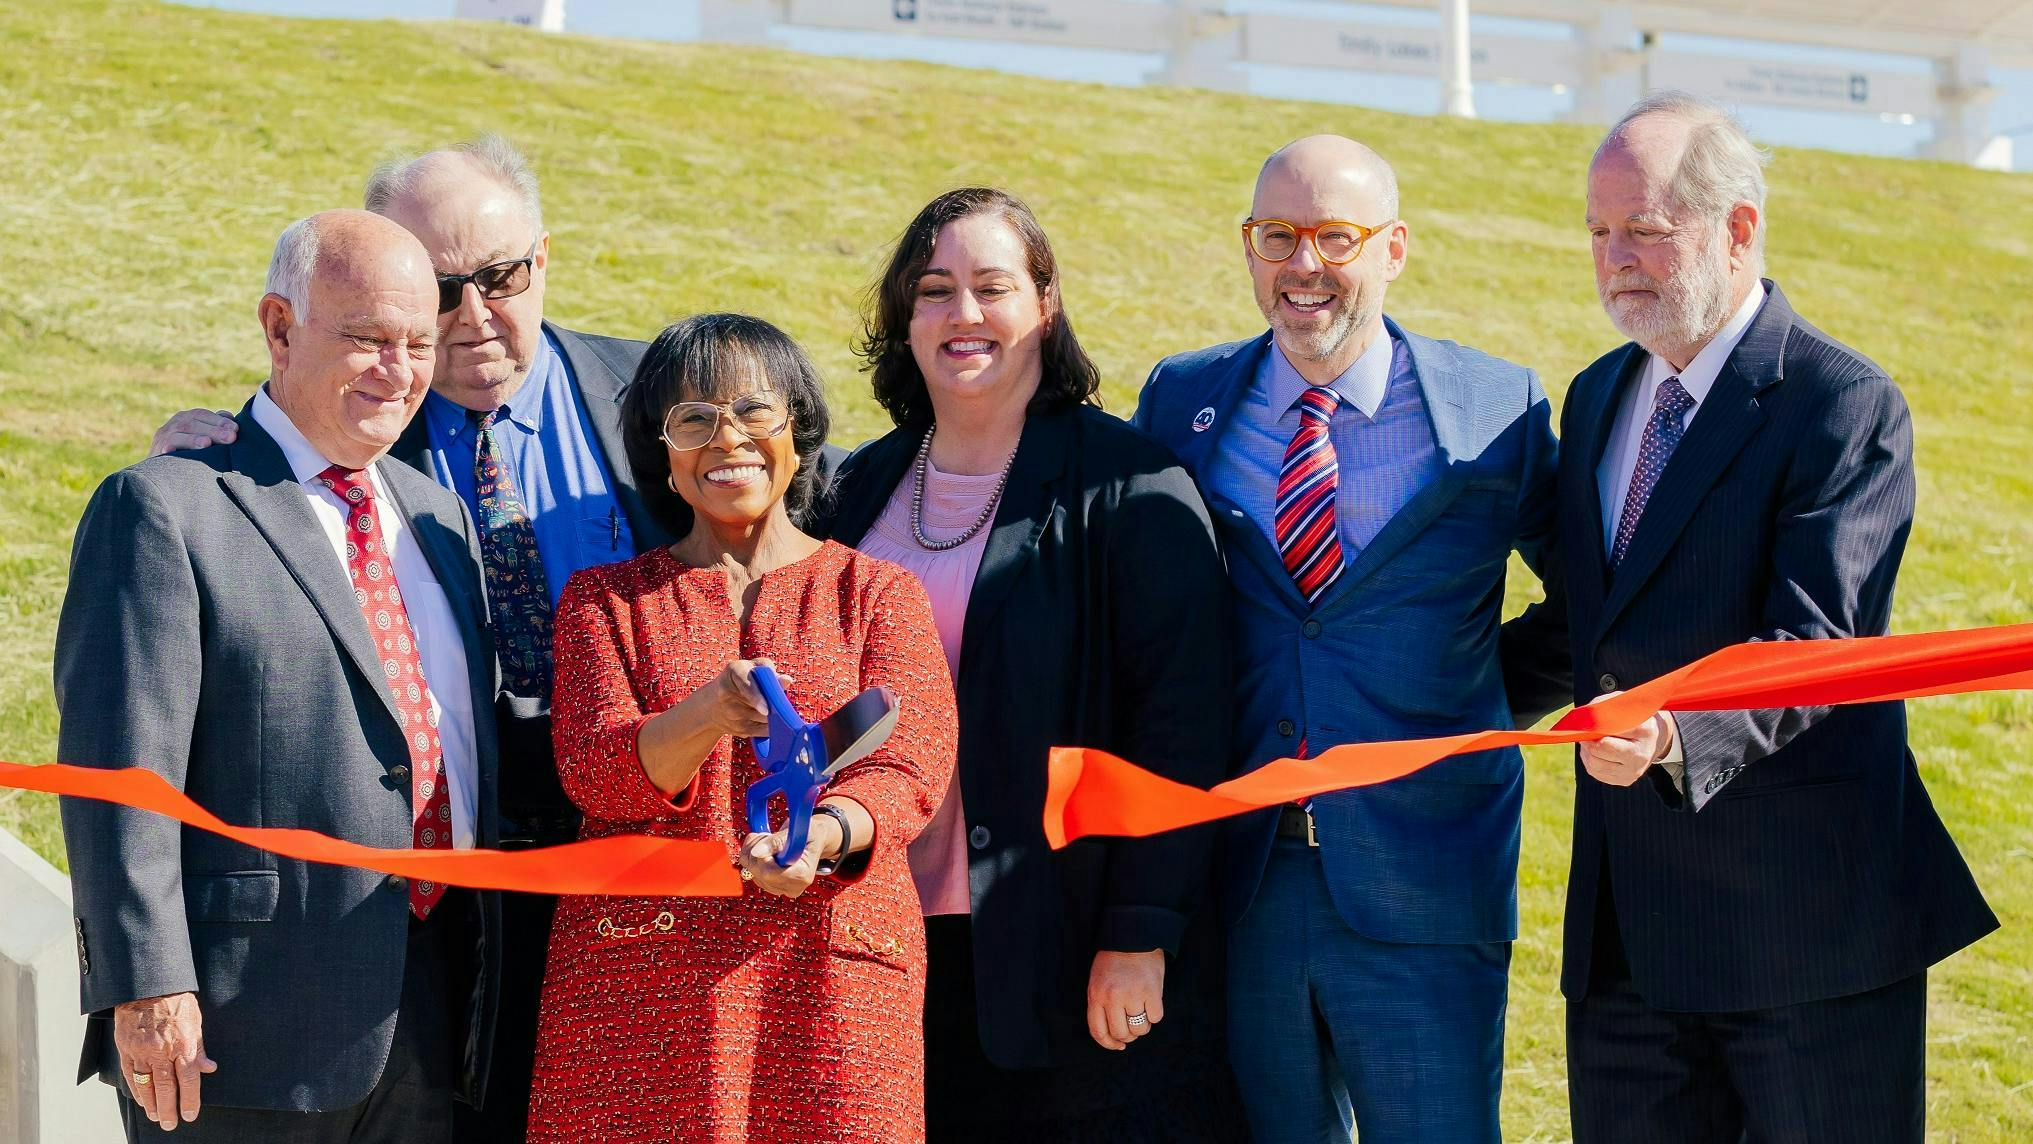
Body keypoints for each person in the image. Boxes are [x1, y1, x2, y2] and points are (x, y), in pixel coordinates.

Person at [141, 137, 842, 1140]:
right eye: (438, 289)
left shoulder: (655, 393)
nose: (472, 315)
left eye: (502, 276)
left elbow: (802, 488)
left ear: (543, 258)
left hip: (658, 863)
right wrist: (208, 445)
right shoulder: (360, 428)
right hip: (452, 894)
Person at [1539, 92, 1997, 1143]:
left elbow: (1816, 644)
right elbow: (1586, 623)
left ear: (1736, 227)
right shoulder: (1595, 396)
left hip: (1806, 932)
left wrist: (1670, 735)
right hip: (1625, 941)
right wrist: (1409, 688)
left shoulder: (1841, 403)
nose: (1614, 260)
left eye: (1643, 229)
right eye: (1598, 233)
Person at [1134, 137, 1566, 1143]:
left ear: (1393, 248)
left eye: (1336, 237)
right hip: (1243, 882)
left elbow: (1586, 602)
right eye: (1276, 236)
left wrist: (1473, 699)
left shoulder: (1496, 411)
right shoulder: (1181, 403)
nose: (1303, 265)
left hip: (1428, 876)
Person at [56, 210, 501, 1142]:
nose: (399, 371)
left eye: (419, 344)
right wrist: (147, 984)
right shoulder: (168, 505)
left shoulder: (439, 519)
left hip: (433, 1009)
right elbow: (117, 772)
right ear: (280, 328)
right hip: (237, 1027)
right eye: (368, 338)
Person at [820, 187, 1246, 1141]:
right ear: (903, 316)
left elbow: (1181, 725)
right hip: (877, 939)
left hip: (1064, 945)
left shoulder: (1130, 485)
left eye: (992, 287)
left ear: (1045, 306)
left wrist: (1140, 930)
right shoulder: (859, 486)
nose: (961, 313)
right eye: (934, 289)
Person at [525, 313, 957, 1142]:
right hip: (641, 988)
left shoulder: (877, 594)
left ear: (799, 431)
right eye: (692, 419)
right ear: (662, 453)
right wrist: (704, 715)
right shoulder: (603, 603)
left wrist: (820, 836)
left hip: (830, 972)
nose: (728, 438)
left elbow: (909, 762)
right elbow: (594, 771)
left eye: (754, 410)